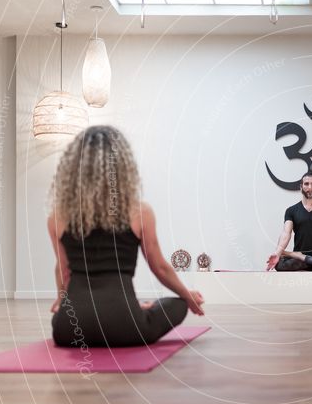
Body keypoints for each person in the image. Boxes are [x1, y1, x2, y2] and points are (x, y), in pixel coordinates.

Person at [48, 125, 205, 348]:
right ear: (122, 169)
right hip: (126, 327)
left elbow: (63, 270)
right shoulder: (140, 212)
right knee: (177, 304)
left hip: (70, 330)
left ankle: (130, 305)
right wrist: (187, 297)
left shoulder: (58, 216)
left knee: (59, 319)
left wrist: (62, 300)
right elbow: (159, 267)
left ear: (75, 171)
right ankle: (132, 305)